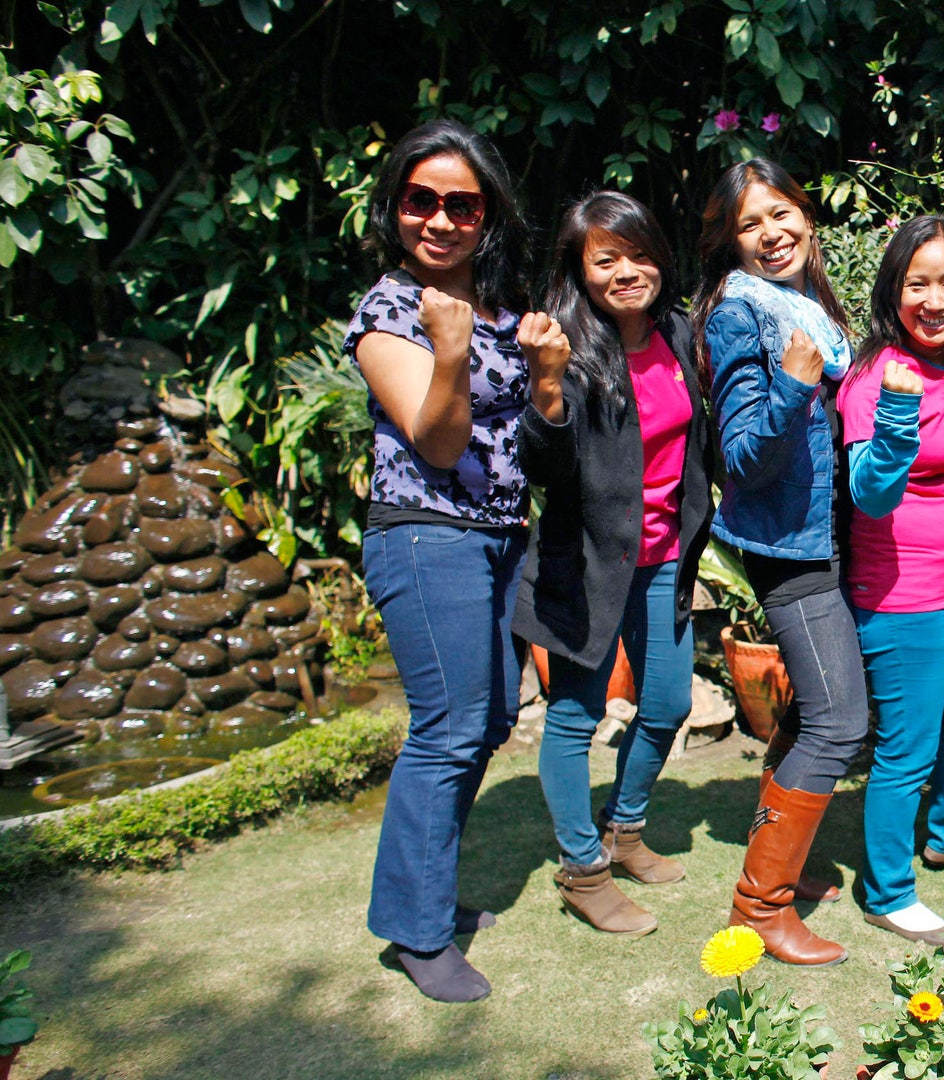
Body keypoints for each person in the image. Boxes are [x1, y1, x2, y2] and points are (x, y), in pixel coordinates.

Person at [350, 119, 555, 1002]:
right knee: (449, 726)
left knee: (492, 717)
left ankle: (427, 892)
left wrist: (544, 367)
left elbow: (537, 428)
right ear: (396, 208)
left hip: (502, 535)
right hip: (425, 530)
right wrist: (446, 347)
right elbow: (436, 444)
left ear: (488, 214)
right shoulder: (389, 310)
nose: (439, 219)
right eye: (420, 200)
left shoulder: (504, 309)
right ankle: (416, 930)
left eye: (459, 204)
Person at [514, 191, 716, 935]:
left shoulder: (677, 331)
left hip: (664, 558)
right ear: (580, 269)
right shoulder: (562, 343)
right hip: (587, 565)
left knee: (666, 704)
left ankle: (622, 831)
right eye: (607, 260)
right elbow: (542, 465)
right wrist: (545, 382)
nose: (628, 272)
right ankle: (582, 870)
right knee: (574, 717)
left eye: (639, 254)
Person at [697, 158, 860, 967]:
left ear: (807, 214)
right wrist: (794, 388)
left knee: (816, 713)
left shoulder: (806, 308)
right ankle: (761, 907)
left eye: (783, 213)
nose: (773, 233)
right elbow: (741, 455)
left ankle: (778, 868)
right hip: (788, 548)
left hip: (824, 539)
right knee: (838, 721)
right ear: (731, 240)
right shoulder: (740, 316)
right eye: (751, 223)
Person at [838, 215, 944, 946]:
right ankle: (887, 890)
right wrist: (900, 411)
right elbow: (869, 493)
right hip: (898, 598)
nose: (934, 300)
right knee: (907, 752)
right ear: (893, 292)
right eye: (917, 284)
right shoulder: (878, 377)